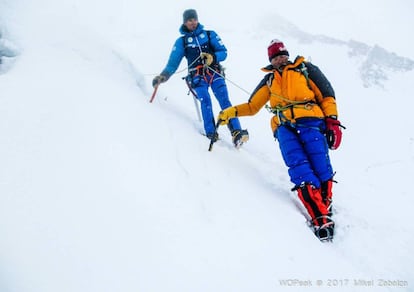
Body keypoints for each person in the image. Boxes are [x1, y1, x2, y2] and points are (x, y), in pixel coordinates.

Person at [217, 39, 344, 241]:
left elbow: (327, 95)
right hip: (284, 127)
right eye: (275, 57)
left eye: (282, 54)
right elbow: (252, 106)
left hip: (311, 120)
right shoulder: (269, 80)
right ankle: (320, 217)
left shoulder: (305, 69)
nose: (280, 59)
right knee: (299, 168)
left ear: (287, 54)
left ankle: (324, 204)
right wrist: (230, 113)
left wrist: (332, 121)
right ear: (271, 60)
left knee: (320, 166)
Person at [152, 9, 249, 148]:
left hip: (214, 72)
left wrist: (213, 57)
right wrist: (163, 76)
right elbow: (173, 63)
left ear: (197, 20)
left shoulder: (210, 35)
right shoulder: (182, 42)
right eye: (189, 20)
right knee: (205, 100)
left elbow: (224, 52)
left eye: (194, 19)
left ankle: (236, 132)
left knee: (224, 100)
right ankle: (211, 133)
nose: (192, 22)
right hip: (197, 76)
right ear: (184, 22)